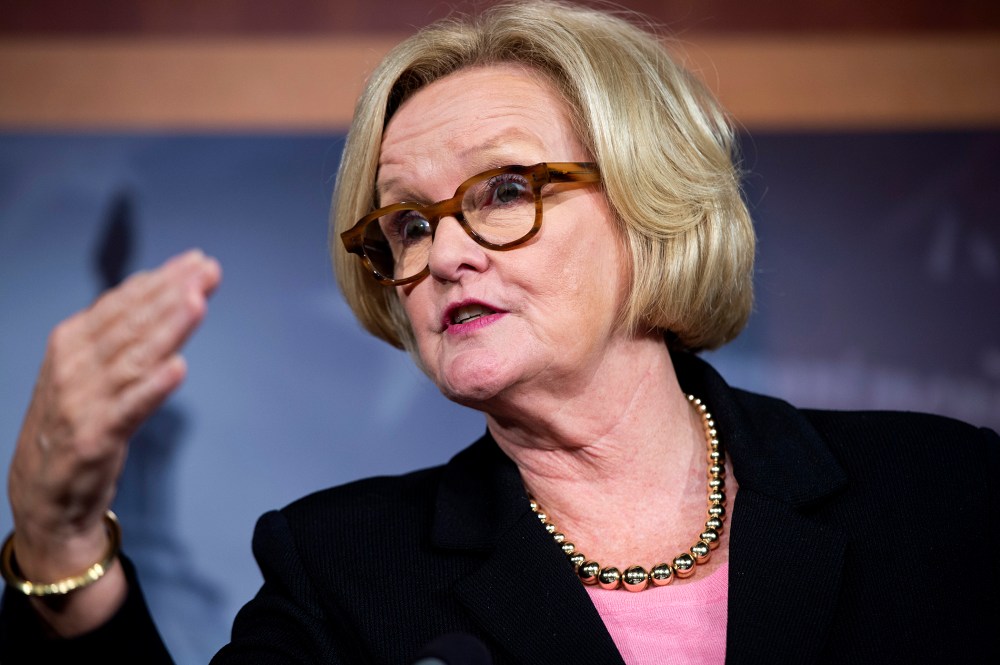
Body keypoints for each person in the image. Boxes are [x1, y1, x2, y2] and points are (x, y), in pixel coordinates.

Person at [1, 1, 997, 663]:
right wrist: (57, 543)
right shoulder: (344, 568)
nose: (443, 255)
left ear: (651, 202)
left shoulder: (946, 494)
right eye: (408, 222)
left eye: (506, 189)